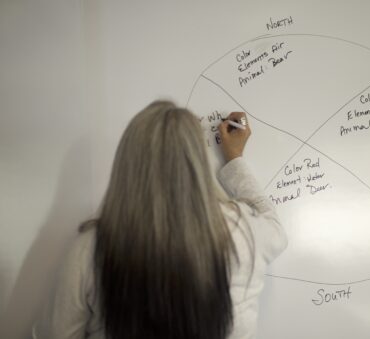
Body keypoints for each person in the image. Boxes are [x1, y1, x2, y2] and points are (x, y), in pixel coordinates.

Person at [33, 100, 287, 339]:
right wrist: (235, 159)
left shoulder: (91, 250)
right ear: (198, 162)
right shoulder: (244, 233)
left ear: (127, 164)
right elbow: (273, 225)